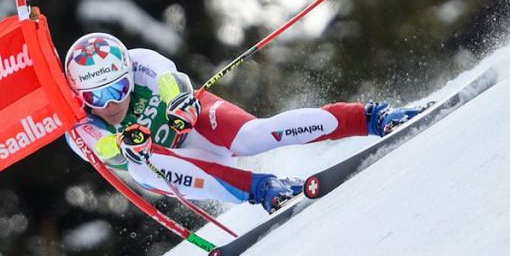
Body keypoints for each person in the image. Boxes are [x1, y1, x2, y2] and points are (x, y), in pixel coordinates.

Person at [63, 32, 427, 212]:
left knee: (256, 135)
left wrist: (179, 104)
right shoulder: (77, 126)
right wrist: (128, 145)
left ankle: (373, 118)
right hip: (185, 163)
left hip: (194, 124)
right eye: (97, 97)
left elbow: (171, 78)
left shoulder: (138, 59)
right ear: (81, 97)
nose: (112, 104)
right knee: (142, 170)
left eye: (120, 88)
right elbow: (104, 148)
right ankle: (265, 188)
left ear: (128, 73)